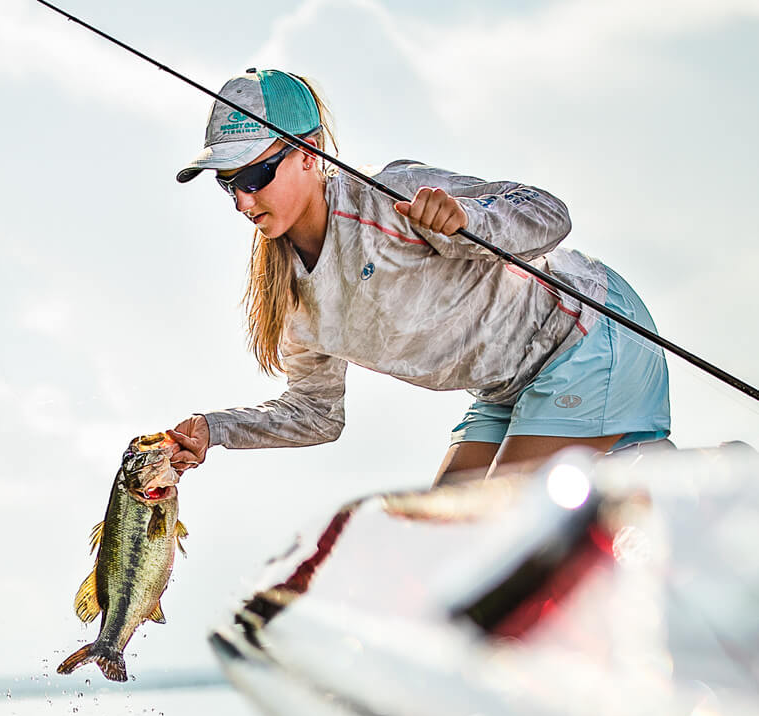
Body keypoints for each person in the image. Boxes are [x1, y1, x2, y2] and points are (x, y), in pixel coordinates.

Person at [167, 68, 670, 485]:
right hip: (505, 387)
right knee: (439, 538)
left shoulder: (389, 195)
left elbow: (549, 213)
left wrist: (469, 220)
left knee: (494, 540)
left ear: (308, 151)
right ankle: (652, 479)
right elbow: (316, 415)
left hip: (586, 334)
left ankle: (686, 481)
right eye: (227, 184)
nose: (242, 200)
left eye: (254, 177)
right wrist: (216, 430)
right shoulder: (291, 298)